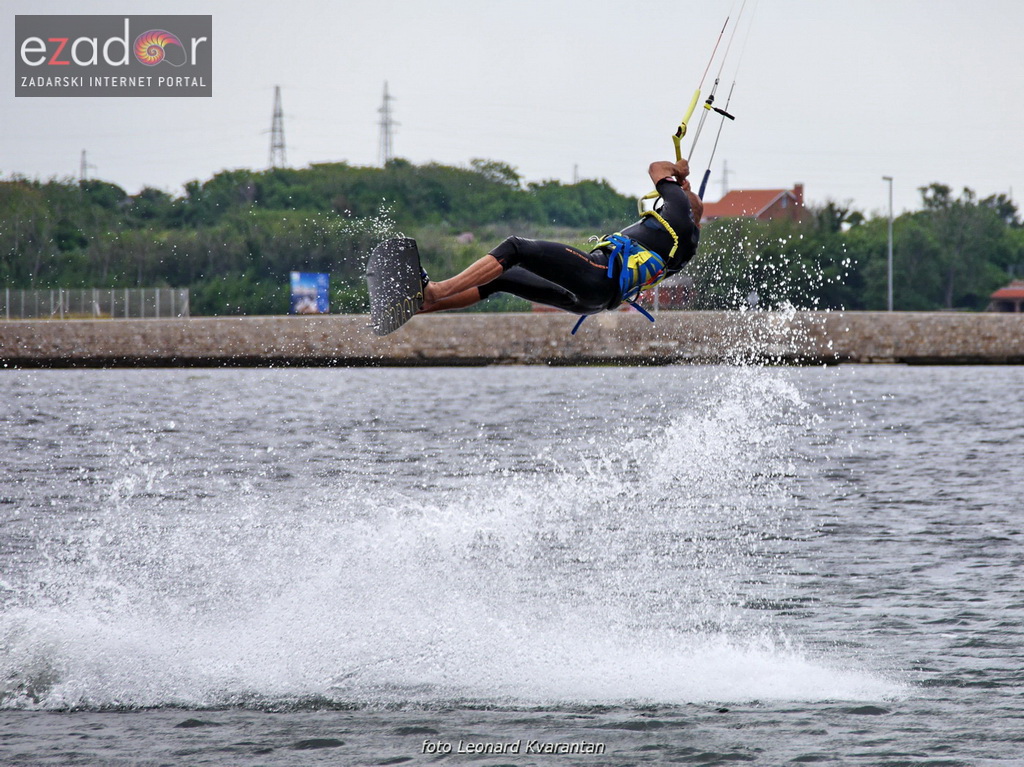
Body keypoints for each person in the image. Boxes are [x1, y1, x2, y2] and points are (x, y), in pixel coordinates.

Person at [419, 159, 703, 325]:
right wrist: (680, 192)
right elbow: (682, 206)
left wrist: (677, 173)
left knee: (516, 248)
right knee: (500, 278)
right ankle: (423, 306)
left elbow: (656, 168)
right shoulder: (685, 241)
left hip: (599, 276)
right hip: (593, 302)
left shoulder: (679, 213)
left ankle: (436, 291)